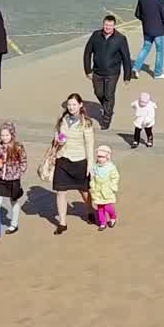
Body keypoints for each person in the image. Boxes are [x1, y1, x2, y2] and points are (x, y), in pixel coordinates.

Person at [50, 93, 95, 235]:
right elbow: (57, 135)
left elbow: (89, 144)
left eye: (74, 104)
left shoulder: (86, 122)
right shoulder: (63, 119)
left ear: (80, 105)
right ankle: (62, 223)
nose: (71, 107)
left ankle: (90, 211)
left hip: (80, 160)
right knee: (61, 192)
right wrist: (58, 139)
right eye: (69, 105)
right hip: (63, 159)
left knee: (84, 191)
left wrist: (90, 165)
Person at [83, 13, 133, 130]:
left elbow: (126, 57)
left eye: (110, 26)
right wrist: (87, 70)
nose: (107, 28)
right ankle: (108, 108)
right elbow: (87, 52)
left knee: (109, 95)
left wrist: (127, 76)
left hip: (113, 73)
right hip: (97, 72)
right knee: (99, 93)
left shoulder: (120, 39)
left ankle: (106, 119)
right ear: (103, 24)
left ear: (114, 26)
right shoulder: (96, 35)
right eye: (106, 25)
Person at [0, 121, 27, 234]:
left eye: (7, 135)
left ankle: (14, 224)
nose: (4, 137)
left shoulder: (18, 147)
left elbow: (23, 161)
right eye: (2, 135)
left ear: (12, 135)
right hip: (0, 178)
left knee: (13, 201)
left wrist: (19, 172)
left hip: (13, 179)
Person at [133, 0, 164, 79]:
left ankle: (136, 68)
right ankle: (158, 73)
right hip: (159, 30)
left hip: (147, 29)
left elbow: (137, 14)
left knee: (145, 48)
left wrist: (145, 21)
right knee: (160, 51)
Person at [89, 145, 120, 230]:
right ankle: (103, 222)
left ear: (107, 157)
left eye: (102, 157)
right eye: (99, 157)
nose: (100, 159)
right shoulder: (95, 167)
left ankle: (113, 217)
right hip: (98, 190)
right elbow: (93, 177)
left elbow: (115, 177)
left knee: (108, 207)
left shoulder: (111, 167)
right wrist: (92, 185)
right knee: (100, 208)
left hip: (107, 190)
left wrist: (113, 186)